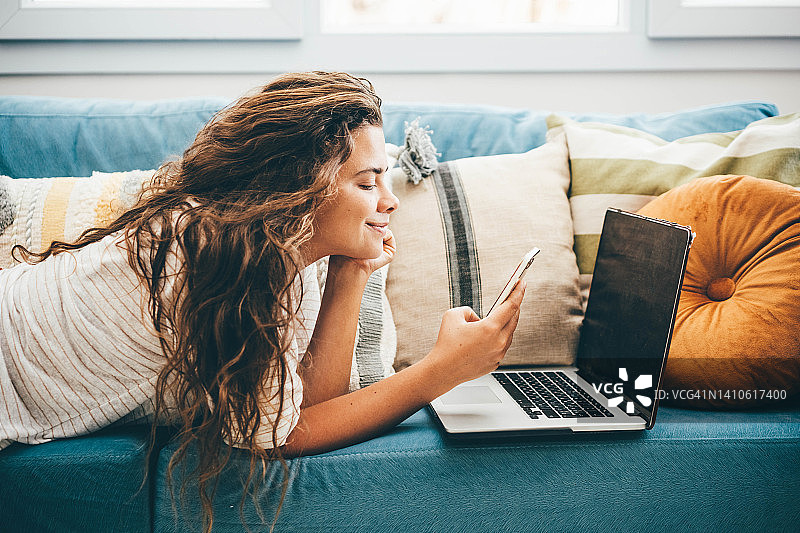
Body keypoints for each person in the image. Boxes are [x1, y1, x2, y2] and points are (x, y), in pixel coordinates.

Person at [0, 71, 525, 528]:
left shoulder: (283, 251)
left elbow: (305, 404)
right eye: (367, 183)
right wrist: (440, 371)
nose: (388, 201)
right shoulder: (223, 263)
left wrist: (350, 273)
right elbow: (280, 437)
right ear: (301, 189)